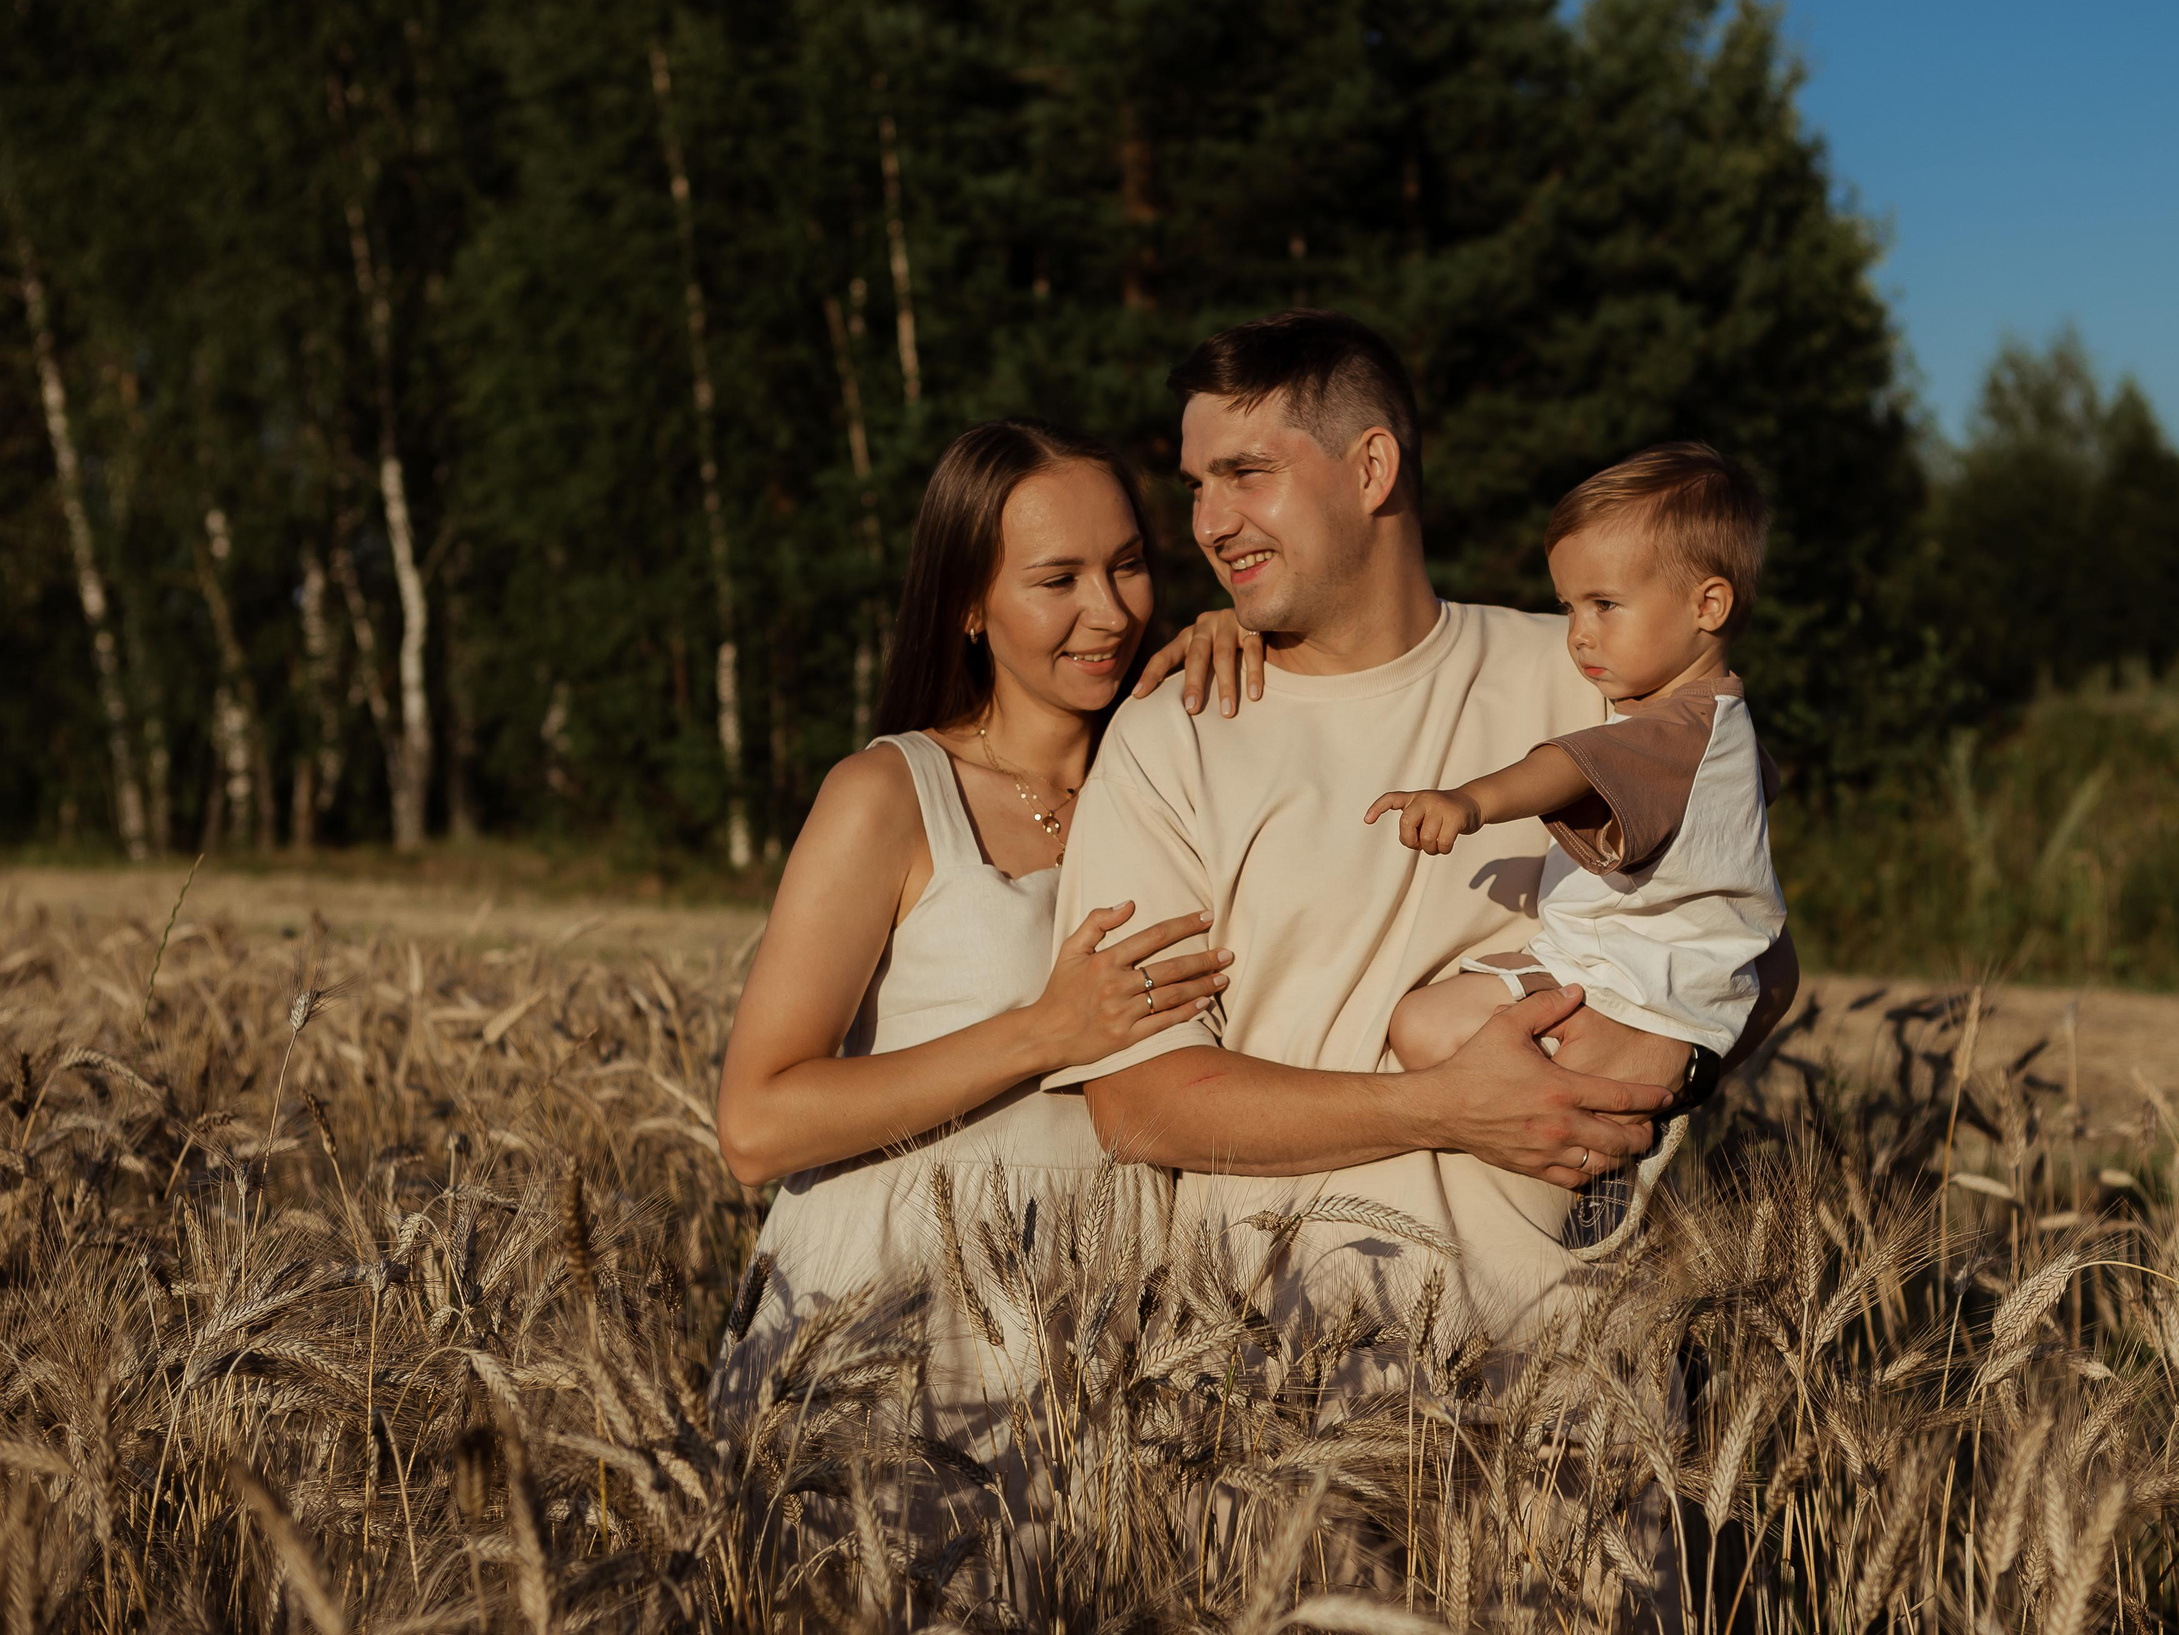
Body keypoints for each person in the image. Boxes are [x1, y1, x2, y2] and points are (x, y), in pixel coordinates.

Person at [1046, 310, 1799, 1343]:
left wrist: (1645, 1077)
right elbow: (1140, 1105)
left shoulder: (1590, 679)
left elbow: (1752, 950)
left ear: (1370, 468)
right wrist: (1443, 1105)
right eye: (1195, 487)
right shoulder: (1171, 737)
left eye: (1246, 473)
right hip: (1274, 1395)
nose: (1210, 523)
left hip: (1568, 1383)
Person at [713, 417, 1237, 1417]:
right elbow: (755, 1125)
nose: (1110, 611)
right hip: (891, 1324)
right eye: (1057, 580)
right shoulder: (890, 793)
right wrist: (1045, 1033)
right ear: (967, 605)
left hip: (1108, 1328)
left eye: (1127, 566)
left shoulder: (1183, 778)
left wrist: (1250, 643)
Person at [1367, 443, 1788, 1256]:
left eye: (1604, 605)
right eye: (1567, 607)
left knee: (1441, 1035)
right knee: (1422, 1028)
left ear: (1708, 605)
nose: (1578, 636)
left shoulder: (1679, 728)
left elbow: (1562, 766)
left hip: (1628, 983)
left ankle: (1609, 1154)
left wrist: (1470, 800)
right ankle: (1587, 1143)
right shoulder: (1720, 720)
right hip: (1608, 962)